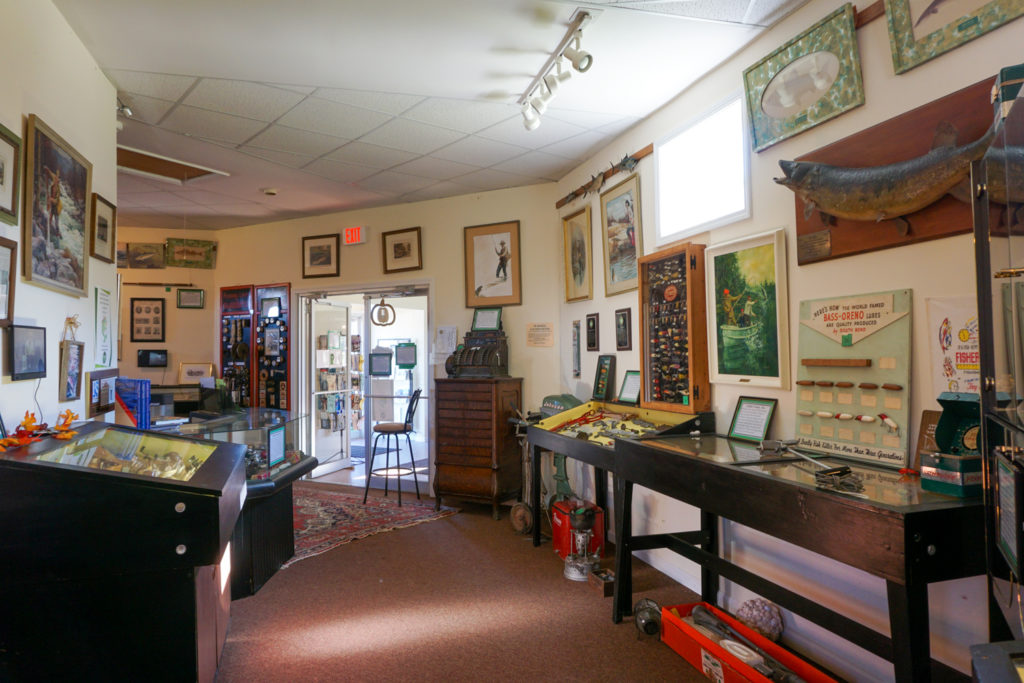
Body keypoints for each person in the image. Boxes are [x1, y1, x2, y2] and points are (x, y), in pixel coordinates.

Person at [42, 164, 63, 237]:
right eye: (56, 178)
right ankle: (47, 230)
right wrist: (47, 169)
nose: (56, 179)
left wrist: (51, 199)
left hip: (56, 207)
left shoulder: (58, 190)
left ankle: (58, 233)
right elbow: (50, 173)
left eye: (57, 179)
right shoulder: (54, 180)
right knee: (50, 218)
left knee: (56, 221)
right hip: (52, 205)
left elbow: (56, 201)